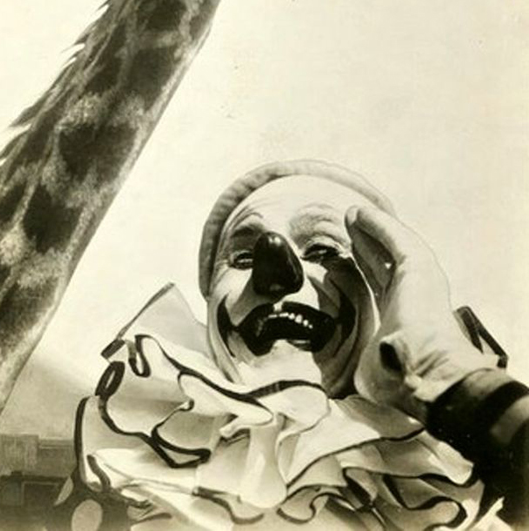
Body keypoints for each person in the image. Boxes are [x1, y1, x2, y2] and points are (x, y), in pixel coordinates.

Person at [46, 161, 527, 530]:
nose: (274, 273)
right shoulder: (129, 475)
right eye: (242, 256)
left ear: (386, 300)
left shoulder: (447, 488)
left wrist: (441, 373)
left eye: (323, 251)